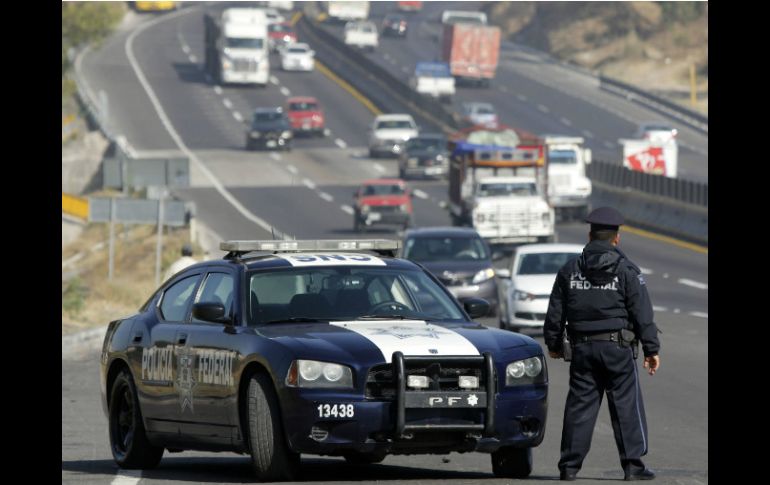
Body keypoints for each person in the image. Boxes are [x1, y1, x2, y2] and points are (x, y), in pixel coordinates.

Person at [543, 207, 660, 481]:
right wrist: (652, 349)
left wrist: (554, 343)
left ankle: (569, 468)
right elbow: (643, 313)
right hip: (618, 350)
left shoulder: (570, 270)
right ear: (616, 239)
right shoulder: (627, 270)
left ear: (589, 235)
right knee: (626, 407)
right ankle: (633, 467)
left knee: (579, 409)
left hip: (582, 350)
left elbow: (555, 312)